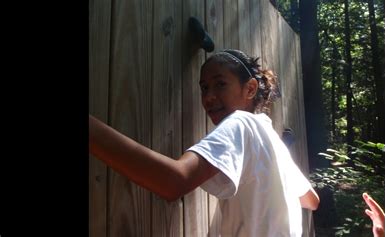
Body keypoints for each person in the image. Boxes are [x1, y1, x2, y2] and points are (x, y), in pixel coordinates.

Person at [89, 49, 320, 236]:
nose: (208, 96)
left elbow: (174, 182)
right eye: (204, 88)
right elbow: (311, 200)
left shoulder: (241, 123)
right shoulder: (273, 141)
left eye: (220, 84)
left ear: (250, 88)